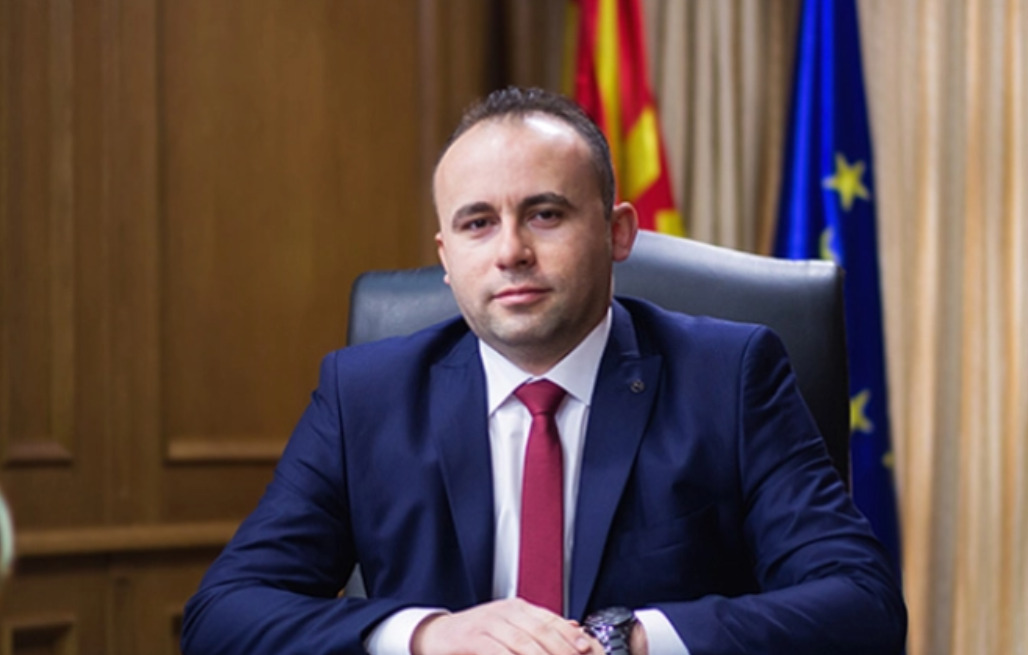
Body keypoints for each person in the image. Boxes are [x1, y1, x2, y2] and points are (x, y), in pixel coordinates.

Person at [181, 87, 906, 655]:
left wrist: (627, 639)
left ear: (617, 232)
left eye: (545, 214)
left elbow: (861, 603)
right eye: (477, 223)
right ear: (446, 256)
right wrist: (430, 635)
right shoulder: (365, 395)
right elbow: (222, 614)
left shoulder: (729, 377)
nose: (510, 252)